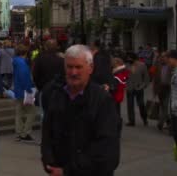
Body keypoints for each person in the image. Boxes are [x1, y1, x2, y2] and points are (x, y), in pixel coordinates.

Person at [41, 45, 120, 176]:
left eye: (78, 67)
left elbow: (107, 152)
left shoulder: (102, 100)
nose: (73, 72)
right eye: (69, 67)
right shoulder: (56, 95)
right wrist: (49, 162)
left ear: (90, 68)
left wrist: (67, 172)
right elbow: (47, 134)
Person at [32, 39, 65, 115]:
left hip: (43, 89)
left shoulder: (39, 60)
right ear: (56, 47)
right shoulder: (61, 61)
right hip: (58, 91)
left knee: (44, 113)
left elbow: (35, 75)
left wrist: (39, 87)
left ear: (46, 47)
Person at [12, 45, 35, 142]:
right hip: (24, 91)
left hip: (18, 90)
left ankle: (19, 132)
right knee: (31, 112)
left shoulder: (16, 61)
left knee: (19, 112)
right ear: (25, 53)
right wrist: (28, 89)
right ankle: (26, 132)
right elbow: (24, 77)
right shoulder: (22, 63)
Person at [126, 52, 149, 126]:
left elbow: (146, 78)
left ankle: (144, 118)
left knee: (141, 104)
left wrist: (143, 85)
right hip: (129, 88)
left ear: (134, 58)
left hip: (139, 88)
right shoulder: (126, 65)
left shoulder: (142, 65)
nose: (128, 59)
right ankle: (131, 121)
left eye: (129, 58)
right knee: (130, 105)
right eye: (127, 58)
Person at [153, 52, 172, 131]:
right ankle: (168, 122)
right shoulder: (158, 65)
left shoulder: (171, 66)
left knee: (165, 105)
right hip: (160, 88)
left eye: (164, 57)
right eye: (162, 56)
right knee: (163, 106)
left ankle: (160, 123)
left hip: (168, 88)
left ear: (168, 58)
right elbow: (155, 78)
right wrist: (154, 91)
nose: (162, 58)